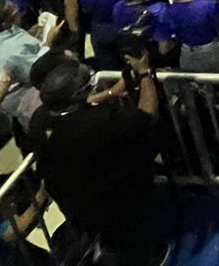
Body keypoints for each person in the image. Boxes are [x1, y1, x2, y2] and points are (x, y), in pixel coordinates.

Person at [32, 51, 162, 266]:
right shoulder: (98, 123)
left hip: (75, 199)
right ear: (78, 95)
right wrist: (145, 74)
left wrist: (111, 92)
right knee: (128, 242)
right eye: (89, 85)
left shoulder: (39, 119)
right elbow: (147, 115)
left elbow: (75, 107)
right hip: (113, 198)